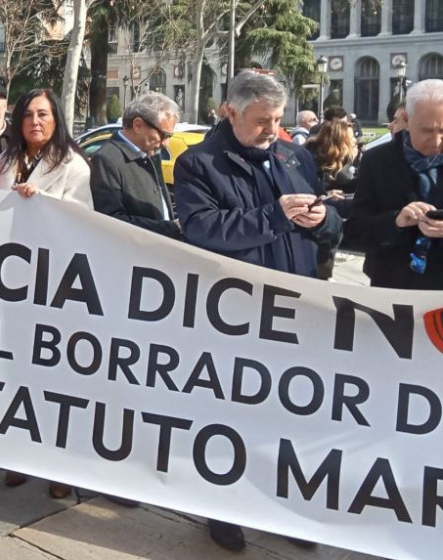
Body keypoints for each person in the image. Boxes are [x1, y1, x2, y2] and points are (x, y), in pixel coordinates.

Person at [174, 71, 342, 551]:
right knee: (231, 416)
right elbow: (203, 229)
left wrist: (322, 219)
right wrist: (276, 215)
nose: (272, 129)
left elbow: (330, 222)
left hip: (297, 308)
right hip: (236, 314)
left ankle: (286, 507)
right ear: (231, 112)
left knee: (291, 417)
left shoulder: (296, 156)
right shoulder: (199, 163)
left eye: (277, 120)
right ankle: (222, 507)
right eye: (261, 121)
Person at [0, 88, 90, 499]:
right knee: (14, 372)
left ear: (56, 119)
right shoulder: (7, 160)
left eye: (43, 114)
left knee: (53, 378)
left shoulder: (72, 165)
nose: (35, 122)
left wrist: (41, 201)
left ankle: (57, 464)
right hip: (8, 284)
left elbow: (82, 221)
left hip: (53, 288)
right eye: (28, 115)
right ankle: (17, 456)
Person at [347, 79, 443, 289]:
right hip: (393, 286)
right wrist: (396, 221)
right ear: (407, 120)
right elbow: (355, 231)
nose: (436, 141)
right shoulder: (376, 161)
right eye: (427, 130)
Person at [90, 91, 182, 238]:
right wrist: (169, 228)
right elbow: (111, 221)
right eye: (163, 135)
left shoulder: (151, 154)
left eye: (169, 136)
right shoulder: (106, 160)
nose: (166, 143)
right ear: (138, 125)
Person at [304, 120, 358, 278]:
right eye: (351, 138)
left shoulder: (333, 158)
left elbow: (347, 184)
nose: (355, 140)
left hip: (327, 229)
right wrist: (326, 197)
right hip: (314, 228)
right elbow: (303, 192)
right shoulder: (311, 159)